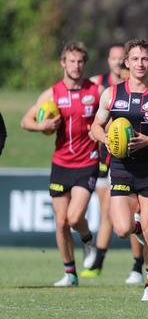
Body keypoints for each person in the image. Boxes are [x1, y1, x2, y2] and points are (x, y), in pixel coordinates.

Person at [91, 39, 148, 301]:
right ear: (127, 63)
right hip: (120, 167)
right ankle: (139, 229)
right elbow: (95, 127)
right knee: (122, 229)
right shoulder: (111, 94)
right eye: (135, 59)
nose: (140, 64)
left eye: (145, 59)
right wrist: (106, 139)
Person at [20, 41, 101, 287]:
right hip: (61, 163)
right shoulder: (52, 94)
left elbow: (111, 114)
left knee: (75, 217)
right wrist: (41, 126)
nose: (76, 66)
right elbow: (25, 121)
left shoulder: (96, 91)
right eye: (71, 61)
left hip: (87, 161)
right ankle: (70, 273)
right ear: (63, 63)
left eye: (80, 62)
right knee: (60, 221)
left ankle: (87, 239)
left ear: (84, 64)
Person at [82, 46, 146, 285]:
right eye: (115, 58)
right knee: (108, 212)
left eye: (123, 58)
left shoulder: (140, 89)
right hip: (104, 160)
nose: (120, 63)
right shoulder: (101, 87)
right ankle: (99, 261)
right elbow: (93, 123)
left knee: (133, 213)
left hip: (135, 162)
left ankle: (137, 266)